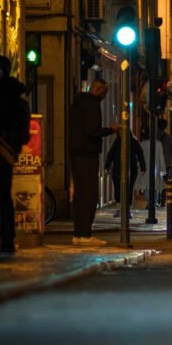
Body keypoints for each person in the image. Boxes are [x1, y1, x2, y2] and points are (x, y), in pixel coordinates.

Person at [0, 54, 31, 255]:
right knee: (3, 195)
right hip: (9, 152)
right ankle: (6, 238)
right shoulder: (18, 99)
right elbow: (24, 134)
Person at [69, 76, 117, 246]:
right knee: (89, 196)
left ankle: (78, 234)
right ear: (98, 90)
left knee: (80, 196)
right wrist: (111, 129)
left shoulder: (76, 104)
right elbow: (92, 130)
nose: (104, 97)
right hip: (87, 155)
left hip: (76, 153)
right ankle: (85, 234)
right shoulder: (92, 105)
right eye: (104, 93)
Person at [105, 129, 146, 218]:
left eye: (122, 133)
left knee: (129, 189)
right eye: (119, 133)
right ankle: (119, 209)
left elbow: (140, 154)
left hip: (131, 169)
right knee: (118, 189)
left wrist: (143, 167)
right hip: (117, 169)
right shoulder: (117, 143)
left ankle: (128, 210)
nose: (121, 134)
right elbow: (110, 154)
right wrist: (106, 166)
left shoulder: (133, 142)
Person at [156, 118, 172, 206]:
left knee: (156, 182)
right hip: (166, 164)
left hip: (156, 164)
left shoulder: (153, 137)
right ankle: (163, 200)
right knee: (165, 182)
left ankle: (156, 199)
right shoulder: (169, 138)